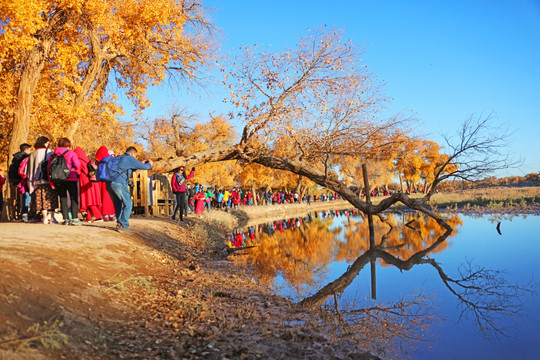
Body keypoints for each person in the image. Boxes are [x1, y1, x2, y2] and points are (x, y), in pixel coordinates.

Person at [108, 146, 152, 234]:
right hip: (120, 183)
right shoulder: (129, 158)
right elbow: (146, 167)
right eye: (135, 156)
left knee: (118, 204)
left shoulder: (120, 157)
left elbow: (126, 168)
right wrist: (150, 163)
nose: (135, 158)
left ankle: (119, 223)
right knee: (128, 204)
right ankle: (123, 225)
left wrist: (140, 163)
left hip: (109, 184)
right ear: (132, 153)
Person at [27, 136, 57, 224]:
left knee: (40, 198)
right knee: (51, 198)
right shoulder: (50, 152)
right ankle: (52, 217)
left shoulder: (33, 154)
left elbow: (30, 169)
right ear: (45, 143)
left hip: (37, 180)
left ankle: (44, 218)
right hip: (49, 179)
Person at [51, 138, 82, 225]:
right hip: (70, 177)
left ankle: (66, 219)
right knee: (73, 197)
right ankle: (75, 218)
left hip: (58, 178)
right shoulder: (71, 153)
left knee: (63, 198)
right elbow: (78, 165)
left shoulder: (53, 154)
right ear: (67, 145)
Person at [74, 147, 102, 222]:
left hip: (84, 181)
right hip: (91, 181)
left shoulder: (79, 160)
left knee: (88, 200)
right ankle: (88, 217)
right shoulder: (87, 159)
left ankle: (98, 216)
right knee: (89, 199)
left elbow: (78, 171)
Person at [7, 143, 32, 220]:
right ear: (25, 150)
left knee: (17, 197)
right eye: (29, 149)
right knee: (27, 196)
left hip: (15, 179)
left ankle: (15, 213)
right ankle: (25, 214)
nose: (30, 151)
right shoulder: (26, 157)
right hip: (23, 178)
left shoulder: (15, 157)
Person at [95, 146, 116, 221]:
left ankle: (105, 214)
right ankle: (112, 214)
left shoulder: (102, 161)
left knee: (104, 197)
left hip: (103, 181)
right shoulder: (111, 159)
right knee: (111, 197)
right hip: (111, 180)